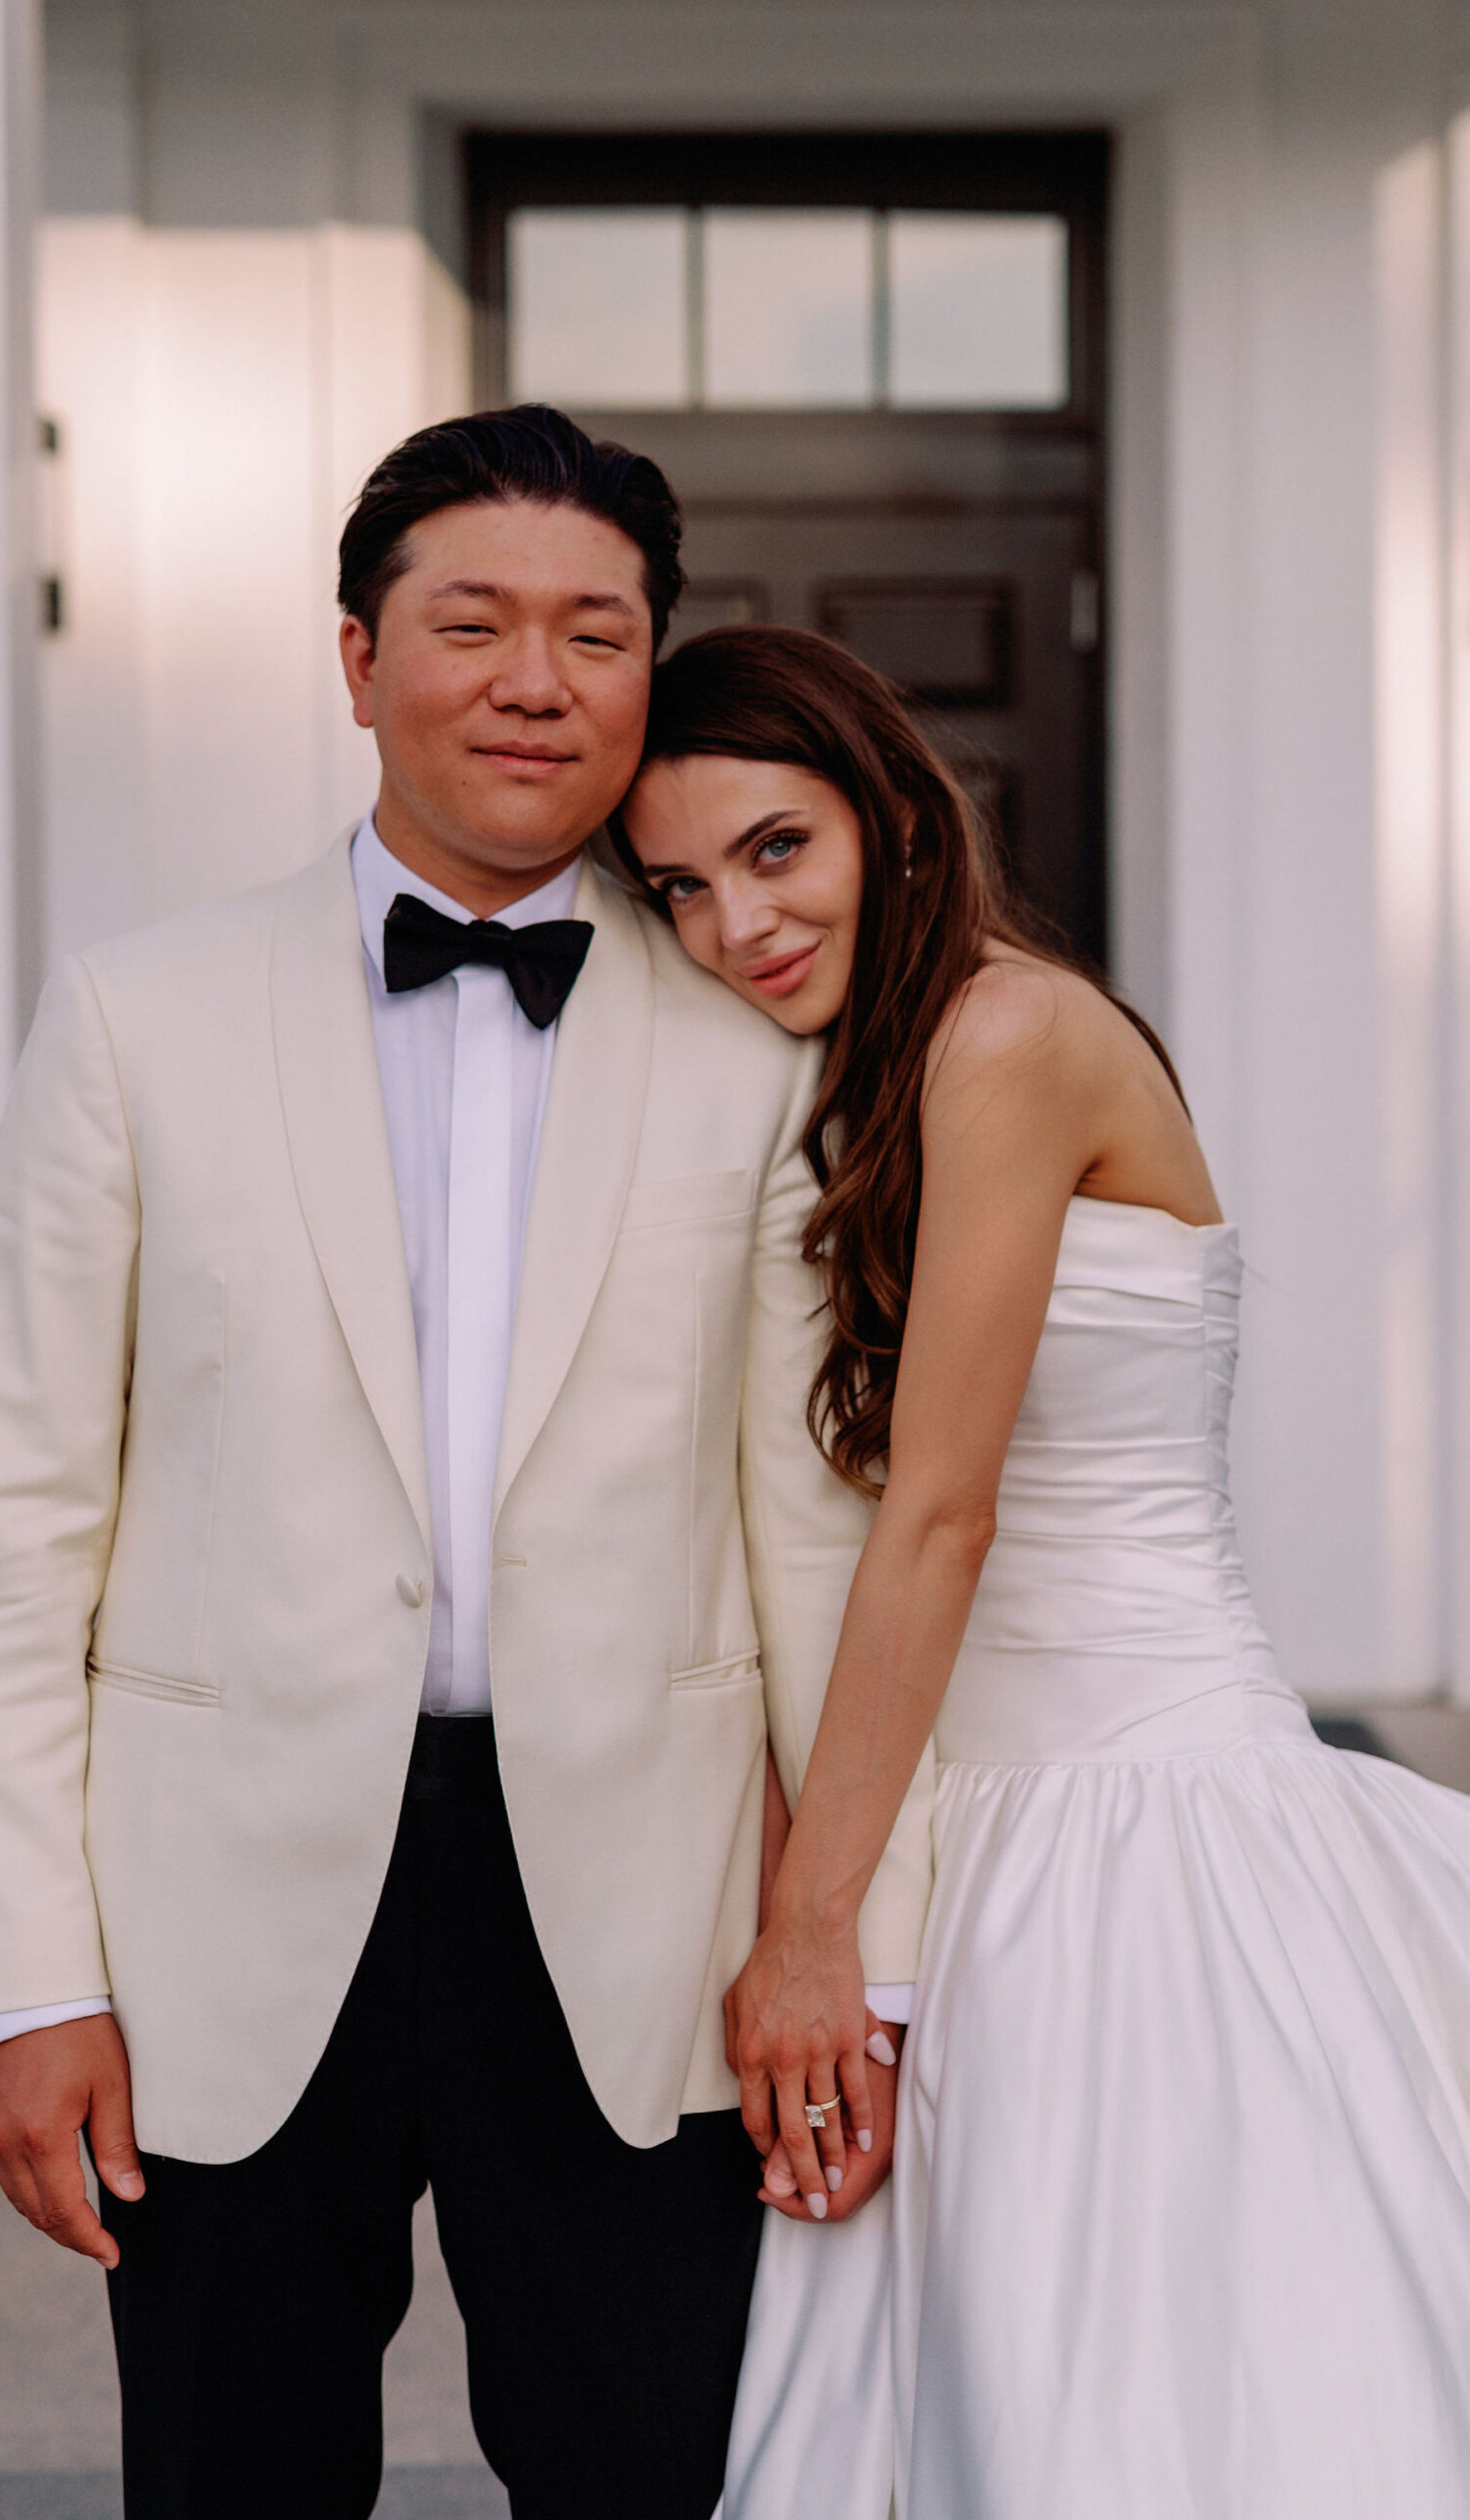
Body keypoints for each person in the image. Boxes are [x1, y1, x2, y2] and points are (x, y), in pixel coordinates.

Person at [0, 410, 934, 2520]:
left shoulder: (765, 1051)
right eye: (471, 621)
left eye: (596, 630)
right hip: (221, 1908)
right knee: (231, 2475)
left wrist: (860, 1948)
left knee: (651, 2469)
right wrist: (22, 1973)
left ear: (653, 668)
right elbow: (13, 1529)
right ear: (361, 657)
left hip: (645, 1924)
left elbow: (821, 1544)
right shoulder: (134, 1016)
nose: (535, 677)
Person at [616, 621, 1470, 2520]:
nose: (735, 925)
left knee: (1156, 2391)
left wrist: (810, 1932)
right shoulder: (853, 1068)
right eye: (678, 886)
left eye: (776, 850)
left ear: (894, 819)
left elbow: (940, 1514)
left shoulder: (1011, 1037)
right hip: (962, 1810)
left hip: (1135, 1813)